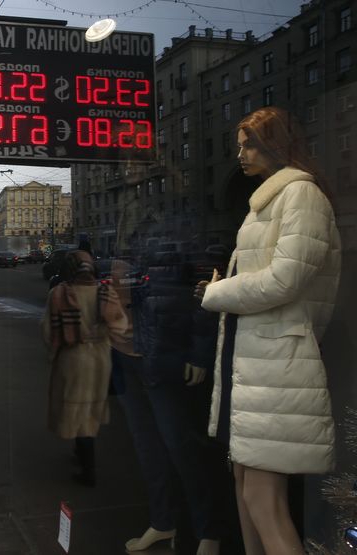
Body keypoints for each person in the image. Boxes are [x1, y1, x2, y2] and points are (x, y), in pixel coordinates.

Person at [197, 106, 341, 554]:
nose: (240, 153)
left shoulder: (301, 195)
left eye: (250, 143)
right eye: (240, 144)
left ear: (276, 144)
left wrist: (217, 292)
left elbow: (285, 279)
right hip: (258, 361)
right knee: (246, 491)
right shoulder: (269, 200)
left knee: (263, 501)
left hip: (278, 364)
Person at [110, 255, 222, 555]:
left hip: (159, 355)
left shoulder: (165, 244)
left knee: (181, 447)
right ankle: (163, 521)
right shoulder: (122, 250)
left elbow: (202, 294)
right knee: (148, 449)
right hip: (123, 355)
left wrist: (199, 353)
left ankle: (208, 530)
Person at [41, 250, 127, 486]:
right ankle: (82, 455)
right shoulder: (105, 292)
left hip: (72, 358)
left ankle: (88, 470)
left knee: (77, 411)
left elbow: (49, 333)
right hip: (100, 357)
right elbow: (120, 327)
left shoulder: (59, 293)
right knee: (89, 410)